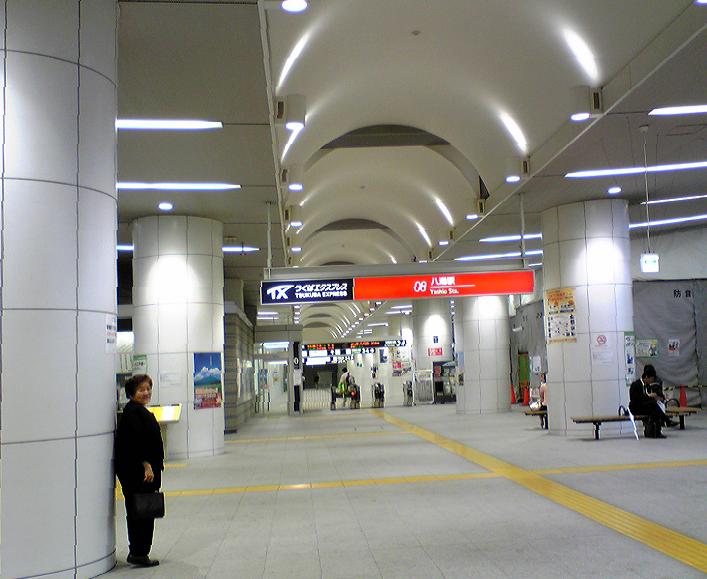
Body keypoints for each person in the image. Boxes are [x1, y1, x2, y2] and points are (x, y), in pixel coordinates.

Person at [115, 374, 164, 567]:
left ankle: (139, 551)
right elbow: (135, 443)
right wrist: (146, 465)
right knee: (141, 512)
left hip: (141, 473)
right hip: (139, 474)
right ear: (131, 392)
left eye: (148, 388)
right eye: (141, 389)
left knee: (142, 511)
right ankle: (138, 553)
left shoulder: (137, 410)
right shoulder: (132, 413)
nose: (146, 392)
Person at [629, 365, 676, 439]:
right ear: (646, 377)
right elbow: (636, 399)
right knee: (653, 406)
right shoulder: (636, 385)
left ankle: (657, 432)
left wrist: (655, 398)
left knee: (654, 408)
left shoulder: (648, 386)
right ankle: (666, 421)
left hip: (645, 406)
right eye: (651, 379)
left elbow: (649, 399)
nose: (652, 381)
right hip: (636, 408)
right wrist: (649, 396)